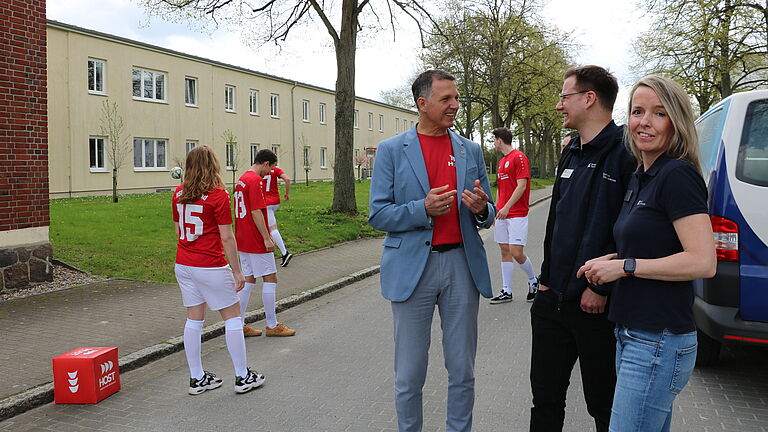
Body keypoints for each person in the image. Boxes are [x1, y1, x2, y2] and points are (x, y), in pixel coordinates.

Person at [577, 75, 716, 432]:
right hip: (633, 334)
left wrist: (625, 266)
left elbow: (703, 260)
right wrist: (611, 260)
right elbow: (651, 244)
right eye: (638, 112)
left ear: (677, 120)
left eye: (659, 113)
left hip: (658, 340)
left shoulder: (677, 176)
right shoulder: (643, 174)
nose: (645, 122)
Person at [369, 69, 495, 432]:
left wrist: (481, 208)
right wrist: (420, 209)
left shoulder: (469, 149)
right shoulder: (392, 151)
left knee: (462, 370)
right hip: (413, 270)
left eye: (456, 98)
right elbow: (378, 213)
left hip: (461, 265)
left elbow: (490, 211)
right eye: (446, 99)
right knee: (409, 374)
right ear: (422, 104)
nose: (455, 105)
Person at [531, 65, 636, 431]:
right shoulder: (571, 150)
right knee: (544, 400)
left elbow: (628, 232)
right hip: (551, 302)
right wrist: (544, 281)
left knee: (604, 406)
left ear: (588, 98)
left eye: (564, 97)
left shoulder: (626, 154)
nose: (559, 105)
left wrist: (599, 287)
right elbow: (555, 223)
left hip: (595, 307)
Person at [172, 145, 265, 395]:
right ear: (213, 166)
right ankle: (242, 376)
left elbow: (178, 231)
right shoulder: (218, 195)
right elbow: (227, 237)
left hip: (184, 263)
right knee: (233, 317)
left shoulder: (178, 193)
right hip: (209, 264)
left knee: (194, 319)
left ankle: (196, 378)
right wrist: (237, 271)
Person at [234, 149, 296, 338]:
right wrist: (266, 238)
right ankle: (272, 324)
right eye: (270, 169)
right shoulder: (254, 181)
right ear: (266, 163)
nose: (270, 174)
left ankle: (238, 323)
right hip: (255, 238)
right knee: (270, 278)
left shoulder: (241, 179)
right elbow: (256, 212)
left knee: (249, 280)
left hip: (242, 237)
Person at [488, 126, 539, 304]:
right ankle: (506, 291)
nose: (493, 143)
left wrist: (508, 207)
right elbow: (501, 189)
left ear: (500, 140)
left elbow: (522, 186)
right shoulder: (501, 162)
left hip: (516, 213)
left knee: (516, 252)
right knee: (504, 251)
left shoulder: (519, 157)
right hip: (502, 213)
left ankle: (533, 281)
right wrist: (496, 209)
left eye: (494, 140)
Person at [262, 163, 294, 267]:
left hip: (265, 202)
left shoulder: (260, 170)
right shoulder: (275, 170)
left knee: (272, 228)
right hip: (275, 201)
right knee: (267, 226)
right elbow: (287, 179)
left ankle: (285, 253)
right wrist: (287, 193)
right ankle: (269, 251)